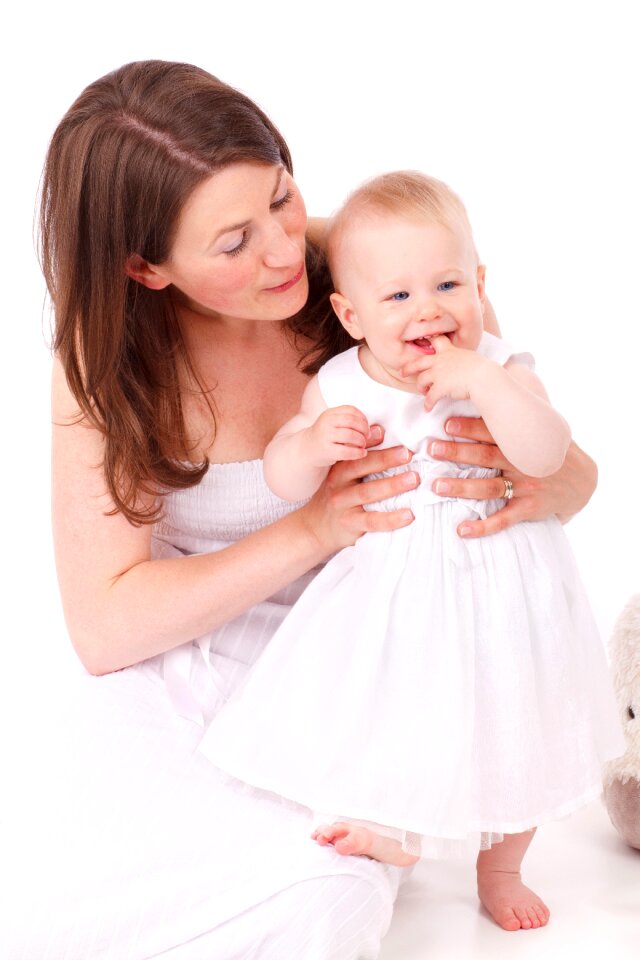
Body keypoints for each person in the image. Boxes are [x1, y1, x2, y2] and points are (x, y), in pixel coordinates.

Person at [0, 61, 600, 959]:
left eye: (280, 196)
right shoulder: (106, 361)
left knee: (322, 900)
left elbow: (571, 472)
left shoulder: (381, 268)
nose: (284, 250)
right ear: (145, 267)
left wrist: (525, 482)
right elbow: (104, 629)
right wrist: (313, 527)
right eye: (233, 242)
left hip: (370, 661)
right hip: (179, 664)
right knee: (64, 898)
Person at [200, 171, 624, 934]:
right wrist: (310, 446)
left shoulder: (502, 364)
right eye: (397, 298)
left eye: (448, 284)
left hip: (505, 591)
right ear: (351, 315)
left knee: (512, 722)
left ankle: (501, 865)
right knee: (392, 714)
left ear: (480, 284)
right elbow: (282, 474)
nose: (427, 309)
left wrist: (488, 385)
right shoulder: (340, 383)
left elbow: (545, 448)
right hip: (394, 593)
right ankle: (394, 829)